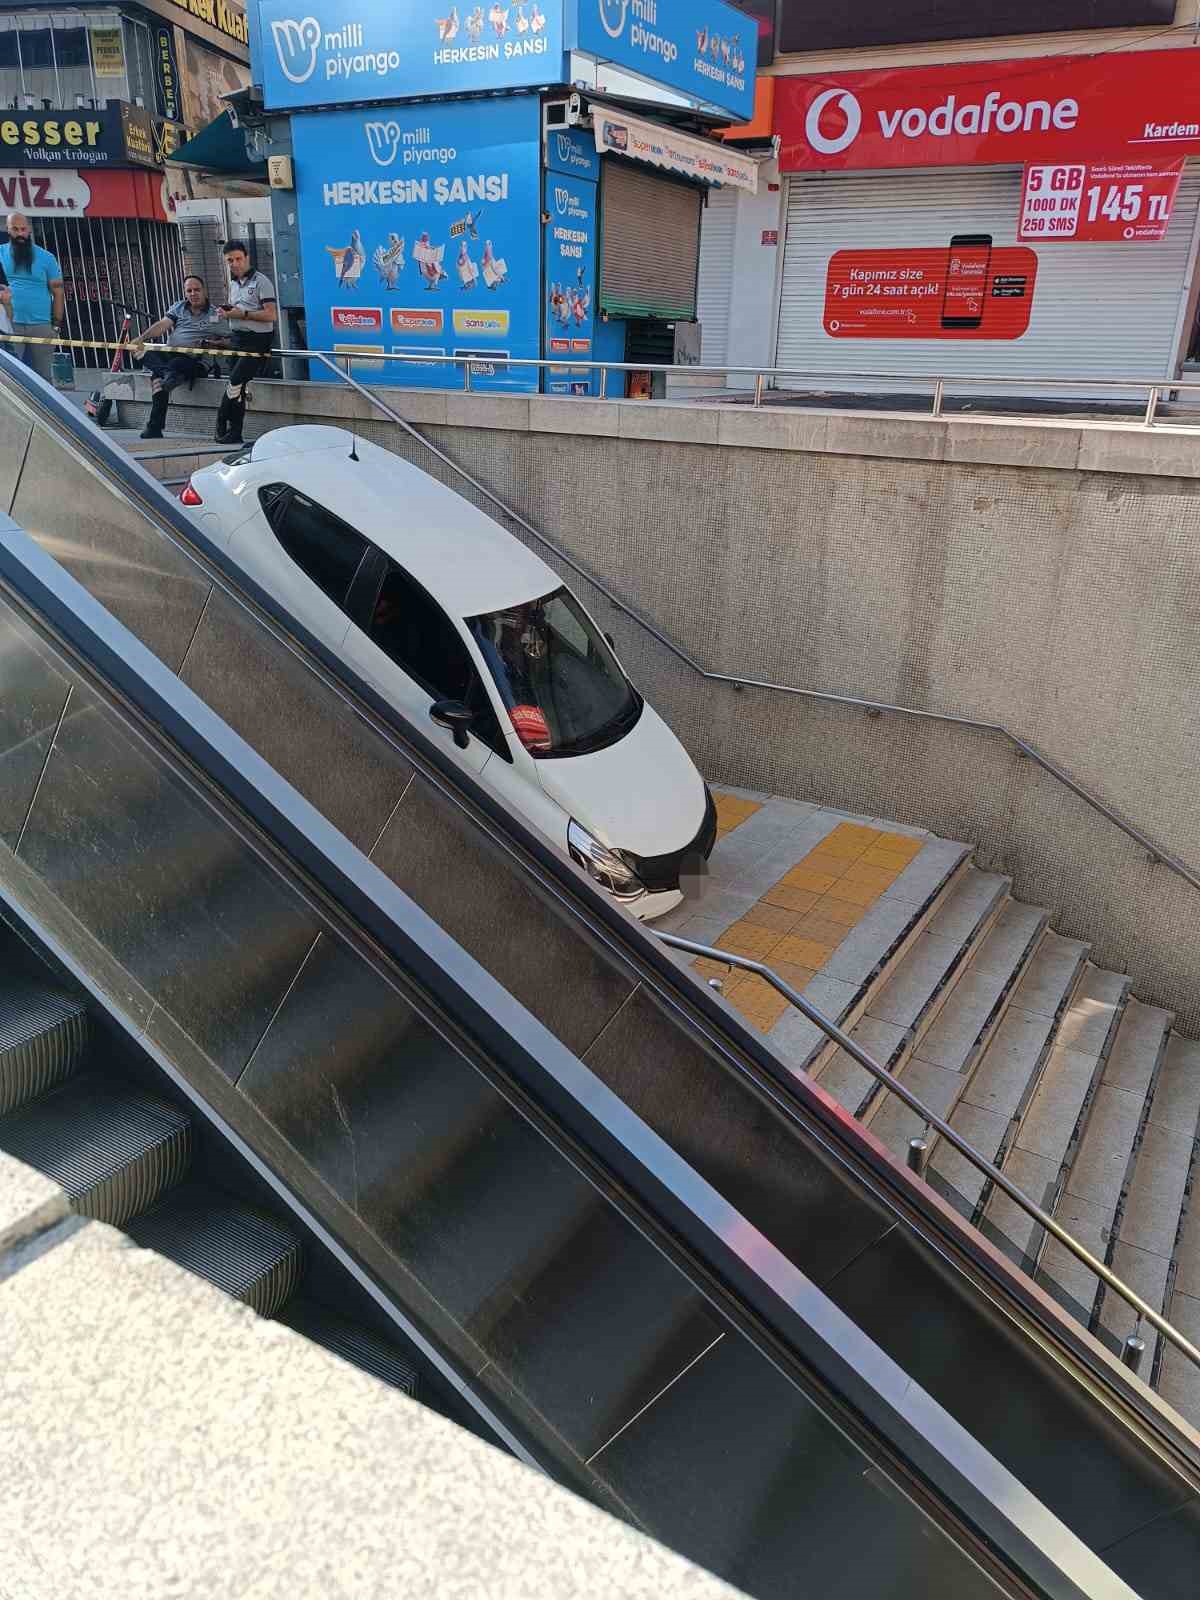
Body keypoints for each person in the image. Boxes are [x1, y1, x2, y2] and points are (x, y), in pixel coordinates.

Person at [132, 275, 230, 440]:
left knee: (160, 376)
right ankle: (169, 375)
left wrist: (215, 343)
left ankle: (154, 426)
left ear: (205, 291)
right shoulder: (179, 308)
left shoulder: (215, 314)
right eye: (189, 290)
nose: (193, 293)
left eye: (197, 289)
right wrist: (141, 338)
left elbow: (230, 340)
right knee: (143, 352)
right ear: (185, 293)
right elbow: (162, 325)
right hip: (172, 356)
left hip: (195, 361)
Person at [214, 241, 277, 446]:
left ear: (247, 257)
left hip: (257, 340)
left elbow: (271, 315)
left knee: (234, 380)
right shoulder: (233, 283)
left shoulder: (261, 281)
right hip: (237, 337)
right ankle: (235, 432)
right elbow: (237, 310)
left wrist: (244, 314)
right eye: (230, 261)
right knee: (238, 387)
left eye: (238, 259)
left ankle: (221, 420)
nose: (234, 264)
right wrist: (227, 313)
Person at [0, 213, 64, 382]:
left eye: (23, 229)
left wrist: (56, 325)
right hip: (8, 325)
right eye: (15, 229)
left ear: (29, 230)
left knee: (43, 379)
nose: (20, 233)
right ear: (8, 229)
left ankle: (45, 409)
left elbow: (58, 292)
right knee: (9, 377)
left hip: (41, 325)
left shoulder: (47, 258)